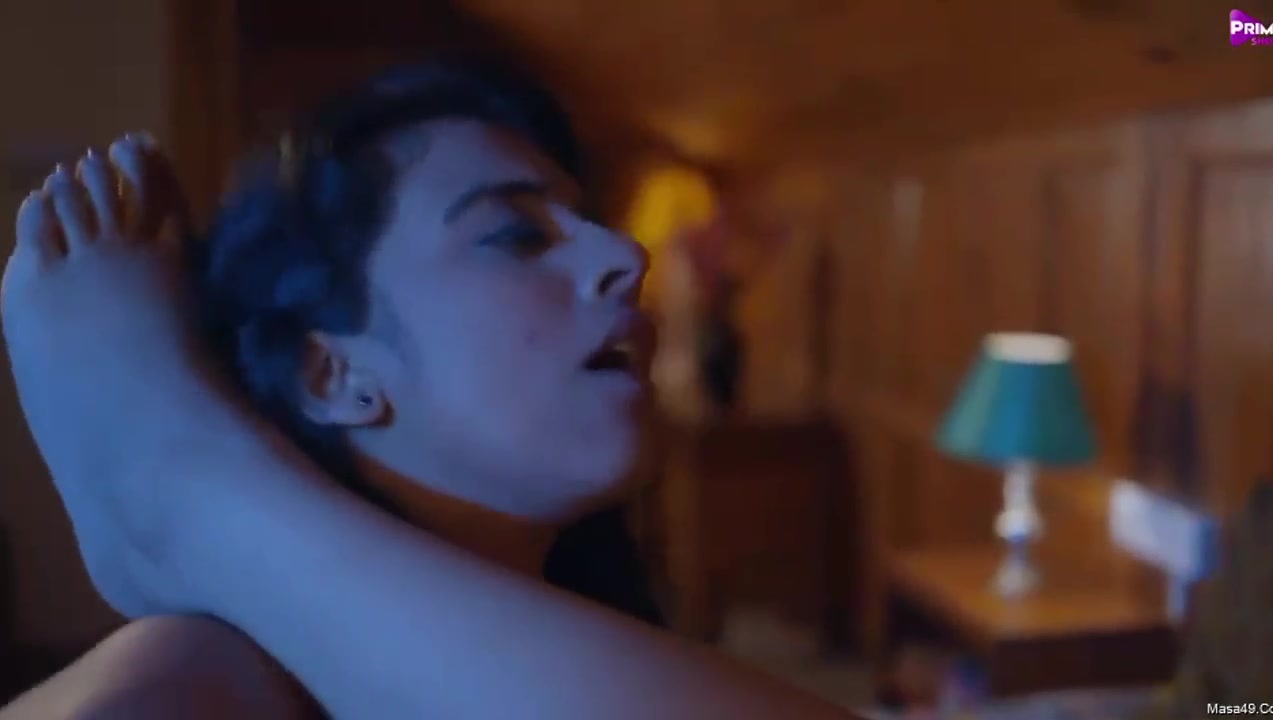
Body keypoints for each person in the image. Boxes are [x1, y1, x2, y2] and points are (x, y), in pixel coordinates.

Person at [0, 56, 859, 718]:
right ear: (334, 374)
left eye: (586, 220)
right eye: (515, 236)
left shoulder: (607, 636)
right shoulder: (187, 683)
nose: (624, 255)